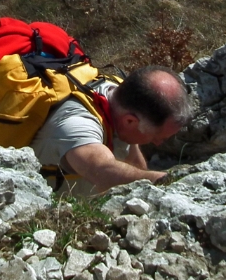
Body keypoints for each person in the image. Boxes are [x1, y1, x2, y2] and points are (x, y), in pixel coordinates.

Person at [30, 64, 192, 192]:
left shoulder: (121, 98)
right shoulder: (76, 125)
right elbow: (101, 169)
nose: (157, 144)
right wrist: (168, 181)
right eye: (158, 136)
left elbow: (134, 160)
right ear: (129, 121)